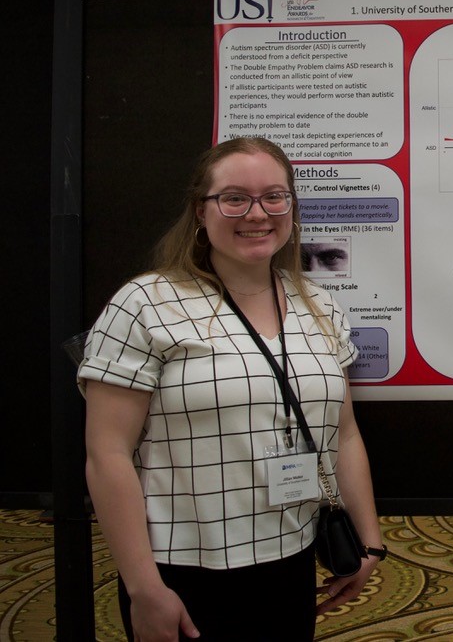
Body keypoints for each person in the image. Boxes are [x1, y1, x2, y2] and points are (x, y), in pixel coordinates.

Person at [79, 137, 385, 642]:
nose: (257, 213)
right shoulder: (146, 304)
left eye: (274, 197)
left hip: (290, 559)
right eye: (234, 198)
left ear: (291, 207)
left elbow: (345, 434)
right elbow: (106, 454)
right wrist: (144, 588)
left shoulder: (318, 305)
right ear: (201, 211)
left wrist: (369, 541)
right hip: (182, 569)